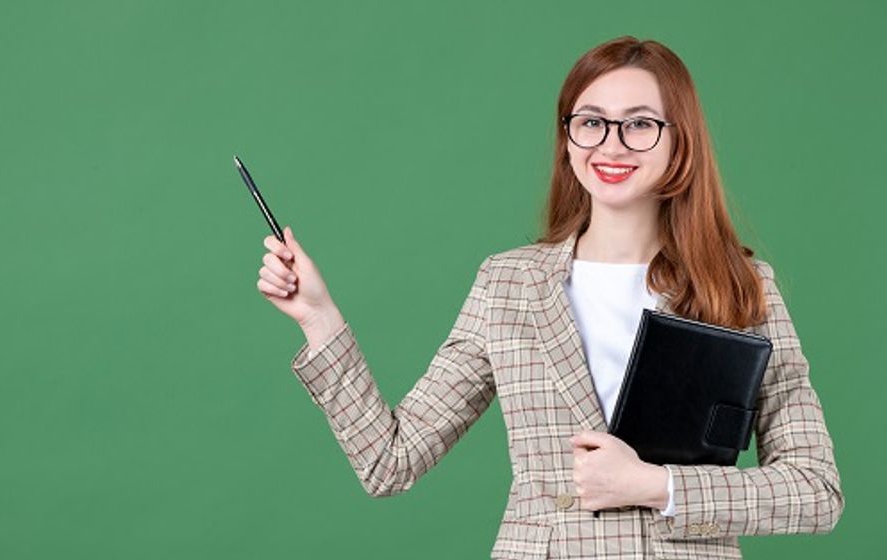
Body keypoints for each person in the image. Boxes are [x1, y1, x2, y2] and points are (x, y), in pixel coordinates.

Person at [255, 36, 844, 559]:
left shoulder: (739, 285)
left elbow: (816, 491)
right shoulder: (508, 283)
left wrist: (653, 485)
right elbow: (391, 461)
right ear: (567, 138)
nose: (610, 145)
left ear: (679, 143)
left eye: (640, 124)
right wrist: (318, 316)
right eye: (590, 121)